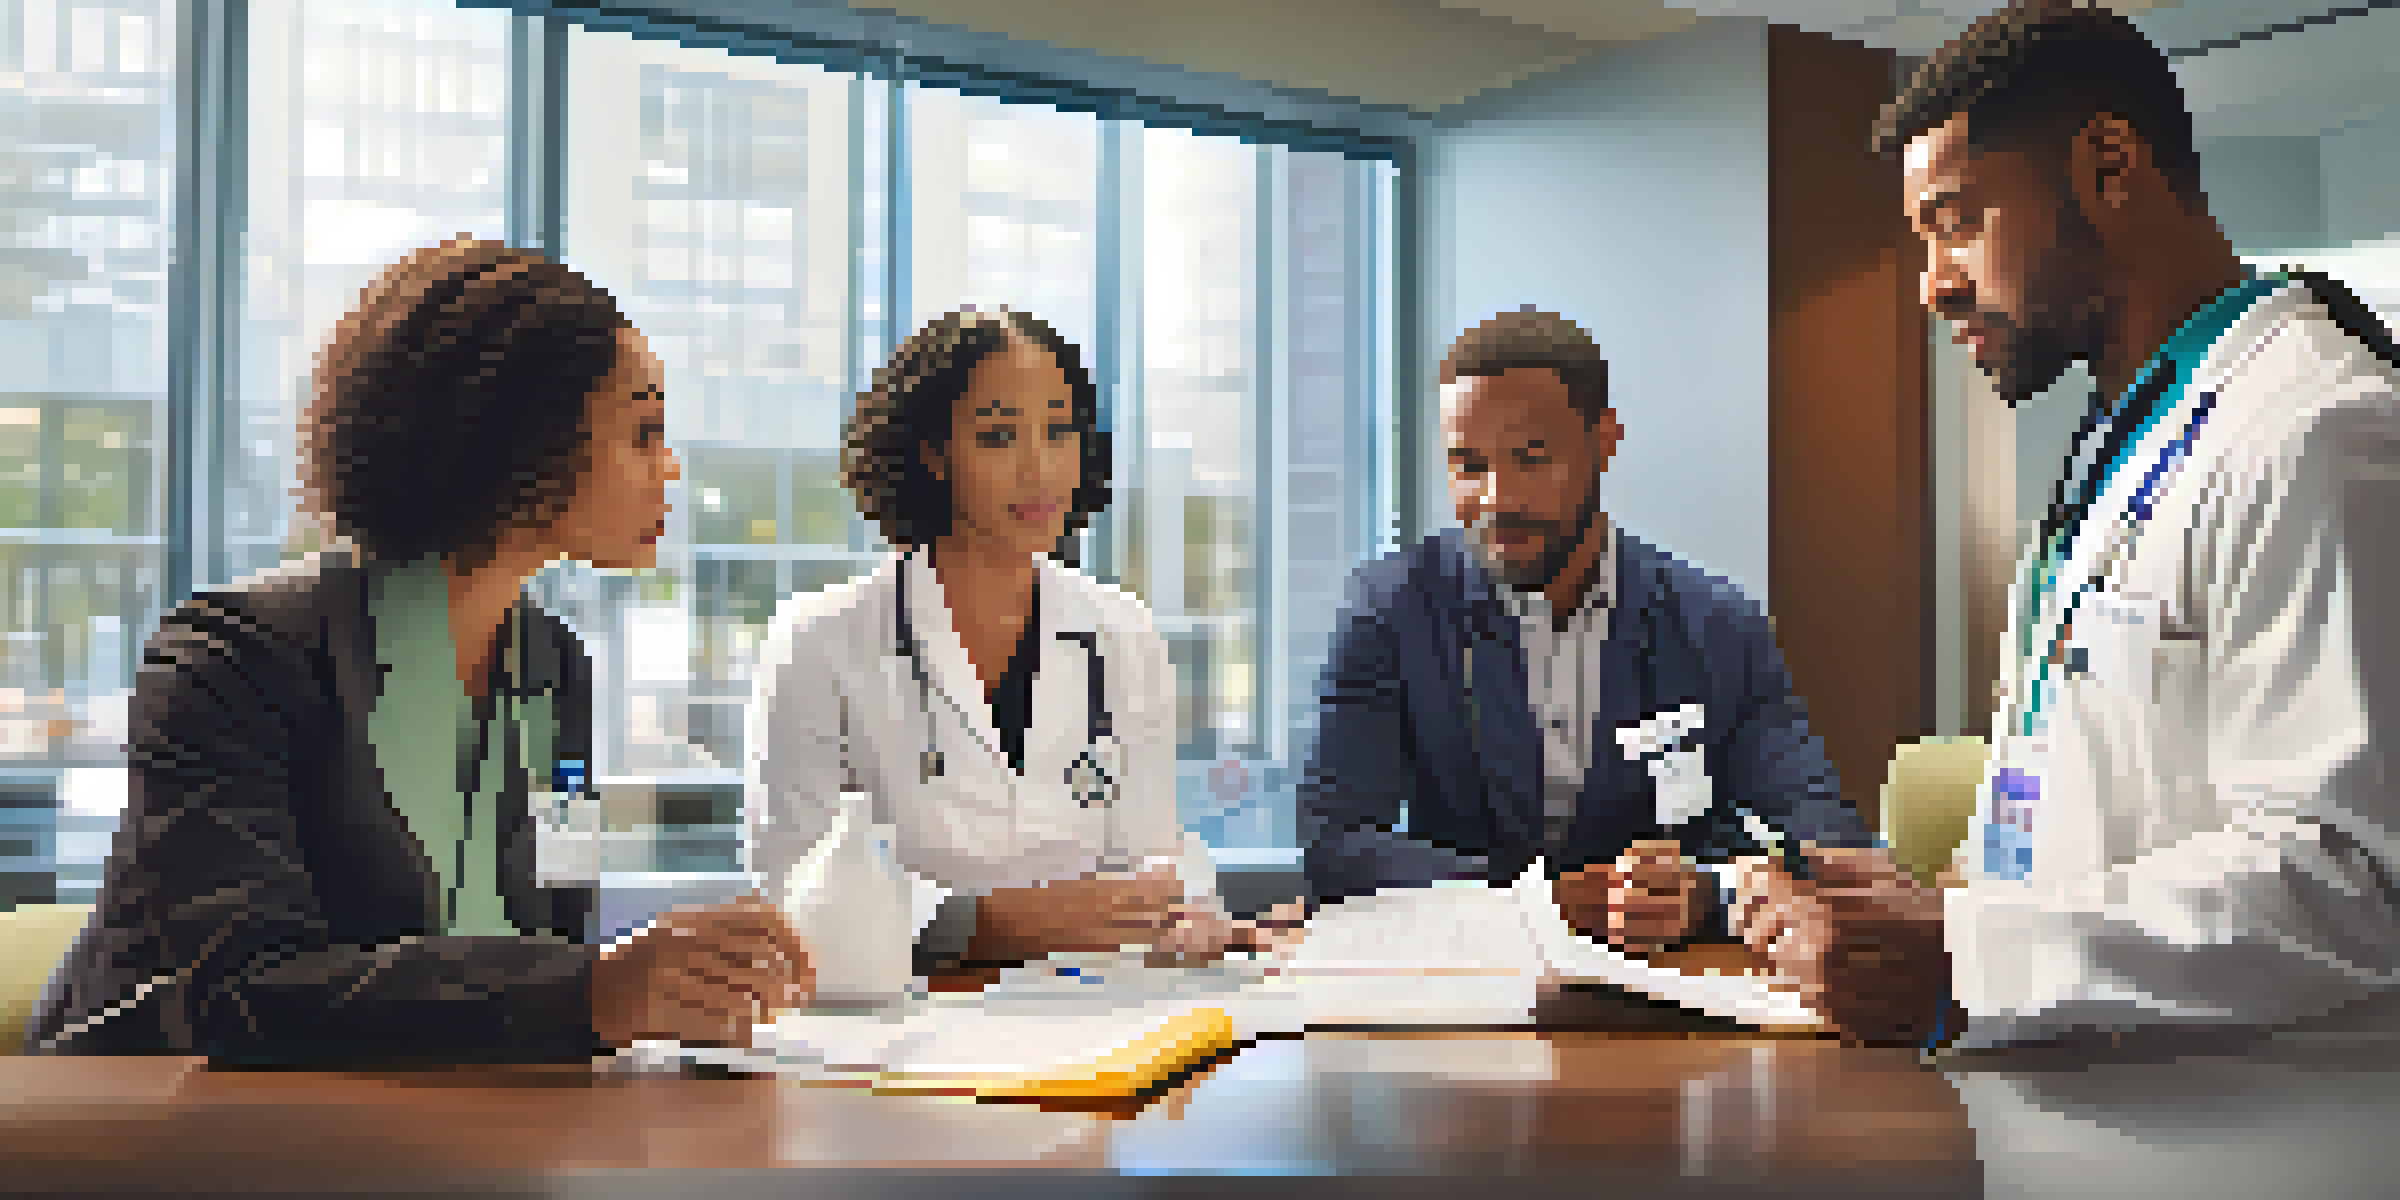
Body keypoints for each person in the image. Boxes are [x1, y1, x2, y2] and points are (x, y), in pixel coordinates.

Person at [1735, 0, 2400, 1050]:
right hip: (2067, 1109)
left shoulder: (2319, 430)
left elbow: (2346, 880)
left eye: (1956, 220)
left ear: (2109, 165)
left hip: (2251, 1140)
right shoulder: (2117, 447)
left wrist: (1966, 954)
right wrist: (1926, 898)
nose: (1932, 284)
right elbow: (2092, 809)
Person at [28, 238, 811, 1062]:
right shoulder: (230, 660)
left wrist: (651, 986)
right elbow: (245, 993)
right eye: (643, 431)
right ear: (525, 440)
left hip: (460, 1121)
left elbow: (551, 934)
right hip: (171, 1138)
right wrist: (593, 991)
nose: (671, 468)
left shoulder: (553, 668)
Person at [1300, 307, 1873, 954]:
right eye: (1468, 464)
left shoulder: (1715, 625)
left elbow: (1835, 847)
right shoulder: (1390, 611)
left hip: (1667, 1001)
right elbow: (1336, 852)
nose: (1496, 498)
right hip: (1471, 993)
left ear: (1605, 441)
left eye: (1530, 458)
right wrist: (1538, 904)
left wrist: (1707, 895)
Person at [748, 307, 1248, 982]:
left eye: (1060, 431)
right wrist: (989, 923)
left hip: (1100, 1022)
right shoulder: (820, 641)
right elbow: (793, 891)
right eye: (999, 436)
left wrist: (1185, 914)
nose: (1040, 469)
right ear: (933, 451)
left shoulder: (1123, 634)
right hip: (897, 1034)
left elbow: (1152, 865)